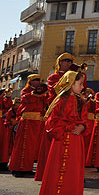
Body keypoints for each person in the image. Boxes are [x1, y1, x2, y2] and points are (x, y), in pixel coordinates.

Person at [38, 69, 87, 195]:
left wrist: (82, 127)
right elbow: (52, 123)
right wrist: (69, 127)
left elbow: (85, 120)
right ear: (71, 83)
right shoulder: (60, 101)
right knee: (58, 169)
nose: (82, 87)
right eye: (80, 84)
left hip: (76, 142)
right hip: (61, 140)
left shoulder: (81, 102)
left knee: (72, 170)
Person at [35, 52, 75, 181]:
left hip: (70, 112)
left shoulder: (75, 76)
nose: (69, 63)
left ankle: (68, 171)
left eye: (70, 61)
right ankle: (50, 171)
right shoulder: (53, 77)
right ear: (60, 63)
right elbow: (57, 91)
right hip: (57, 113)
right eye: (66, 60)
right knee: (54, 142)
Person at [9, 74, 47, 177]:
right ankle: (18, 168)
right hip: (27, 122)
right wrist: (36, 93)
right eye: (35, 80)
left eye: (38, 80)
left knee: (31, 146)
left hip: (36, 122)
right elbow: (26, 99)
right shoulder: (26, 91)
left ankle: (27, 167)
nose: (37, 82)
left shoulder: (42, 92)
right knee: (23, 145)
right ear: (30, 81)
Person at [82, 88, 96, 159]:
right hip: (85, 122)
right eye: (86, 92)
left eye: (89, 92)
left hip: (92, 122)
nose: (88, 93)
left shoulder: (92, 102)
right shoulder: (82, 101)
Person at [0, 88, 12, 170]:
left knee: (2, 141)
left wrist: (8, 97)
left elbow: (8, 106)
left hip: (0, 121)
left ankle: (2, 162)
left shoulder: (2, 100)